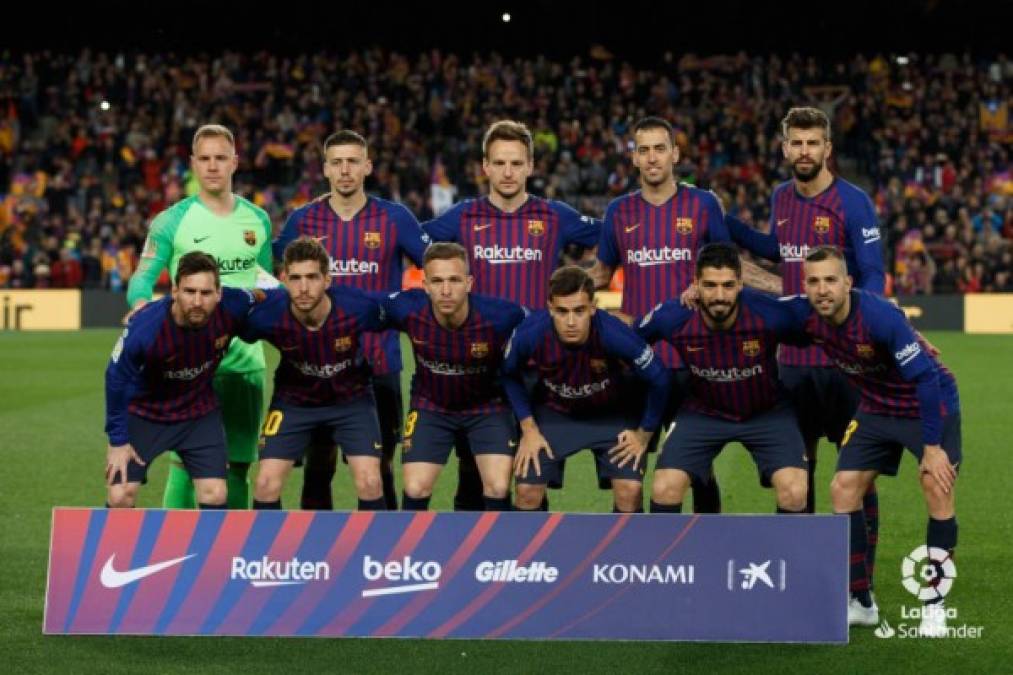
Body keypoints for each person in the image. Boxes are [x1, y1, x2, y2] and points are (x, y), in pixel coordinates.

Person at [723, 106, 886, 592]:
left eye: (813, 142)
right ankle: (798, 578)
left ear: (828, 148)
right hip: (792, 360)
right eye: (796, 142)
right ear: (784, 147)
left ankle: (859, 586)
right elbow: (776, 250)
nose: (804, 151)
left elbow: (873, 272)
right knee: (797, 470)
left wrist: (864, 328)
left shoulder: (853, 203)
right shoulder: (781, 197)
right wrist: (724, 221)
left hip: (844, 364)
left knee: (857, 474)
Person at [424, 120, 602, 510]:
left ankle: (527, 565)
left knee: (529, 473)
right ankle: (472, 562)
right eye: (499, 163)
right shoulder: (462, 217)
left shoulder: (555, 216)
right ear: (484, 167)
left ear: (530, 167)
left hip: (536, 367)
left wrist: (592, 280)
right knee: (473, 471)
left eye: (516, 163)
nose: (507, 172)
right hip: (476, 365)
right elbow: (407, 243)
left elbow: (622, 239)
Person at [794, 246, 960, 636]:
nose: (822, 289)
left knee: (936, 486)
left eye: (831, 280)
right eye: (814, 281)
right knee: (843, 487)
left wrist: (933, 449)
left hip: (928, 404)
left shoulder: (879, 316)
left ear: (848, 283)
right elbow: (757, 305)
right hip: (876, 408)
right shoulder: (804, 316)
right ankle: (861, 600)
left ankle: (935, 604)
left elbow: (926, 379)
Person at [274, 130, 430, 511]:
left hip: (379, 364)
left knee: (381, 468)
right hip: (315, 368)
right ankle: (319, 559)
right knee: (318, 465)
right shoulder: (303, 220)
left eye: (353, 162)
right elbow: (271, 272)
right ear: (325, 169)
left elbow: (438, 267)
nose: (345, 170)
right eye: (337, 162)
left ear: (367, 167)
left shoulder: (395, 219)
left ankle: (385, 557)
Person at [591, 115, 734, 514]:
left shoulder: (703, 204)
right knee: (629, 466)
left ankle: (706, 561)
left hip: (695, 361)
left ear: (675, 153)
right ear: (633, 158)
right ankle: (633, 563)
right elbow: (600, 274)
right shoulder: (618, 211)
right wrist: (553, 294)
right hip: (636, 360)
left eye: (659, 148)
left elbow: (727, 267)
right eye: (643, 150)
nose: (652, 158)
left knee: (698, 470)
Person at [126, 124, 273, 510]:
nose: (212, 166)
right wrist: (141, 306)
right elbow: (141, 278)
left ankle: (232, 555)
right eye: (204, 158)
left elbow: (268, 284)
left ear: (234, 163)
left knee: (238, 468)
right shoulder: (170, 221)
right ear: (193, 164)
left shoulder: (258, 221)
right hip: (186, 364)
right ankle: (174, 556)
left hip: (244, 363)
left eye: (220, 158)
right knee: (183, 466)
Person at [635, 243, 808, 514]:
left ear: (741, 283)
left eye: (728, 285)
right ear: (695, 284)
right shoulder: (674, 316)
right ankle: (674, 557)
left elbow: (823, 322)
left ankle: (784, 557)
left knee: (794, 490)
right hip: (703, 411)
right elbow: (630, 343)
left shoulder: (768, 312)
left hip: (767, 411)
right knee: (664, 487)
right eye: (710, 286)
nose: (719, 295)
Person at [503, 266, 669, 513]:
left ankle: (626, 552)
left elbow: (660, 378)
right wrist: (528, 428)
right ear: (550, 307)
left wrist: (643, 434)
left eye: (579, 311)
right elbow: (508, 374)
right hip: (554, 411)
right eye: (561, 311)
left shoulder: (615, 334)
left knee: (629, 491)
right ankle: (529, 552)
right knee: (527, 493)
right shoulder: (530, 333)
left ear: (593, 307)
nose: (571, 321)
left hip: (611, 414)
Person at [241, 237, 387, 511]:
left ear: (328, 280)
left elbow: (404, 313)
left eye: (312, 277)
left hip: (351, 401)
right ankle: (266, 553)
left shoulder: (358, 308)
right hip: (294, 401)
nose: (304, 288)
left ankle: (373, 553)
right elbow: (225, 315)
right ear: (283, 278)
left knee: (370, 482)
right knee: (265, 484)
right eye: (295, 278)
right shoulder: (267, 314)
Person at [105, 252, 260, 509]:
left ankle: (212, 550)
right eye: (189, 291)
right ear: (175, 291)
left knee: (215, 494)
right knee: (120, 495)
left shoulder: (233, 304)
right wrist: (118, 441)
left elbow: (266, 298)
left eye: (206, 293)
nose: (197, 301)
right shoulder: (146, 326)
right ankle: (115, 550)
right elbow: (115, 378)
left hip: (198, 413)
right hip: (146, 413)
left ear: (219, 293)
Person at [381, 243, 526, 511]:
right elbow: (357, 309)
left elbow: (541, 333)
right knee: (415, 487)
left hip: (488, 407)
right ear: (424, 284)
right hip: (431, 406)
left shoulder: (502, 316)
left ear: (469, 282)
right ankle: (412, 551)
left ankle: (501, 551)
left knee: (498, 487)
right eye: (437, 281)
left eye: (454, 280)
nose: (446, 290)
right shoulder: (407, 308)